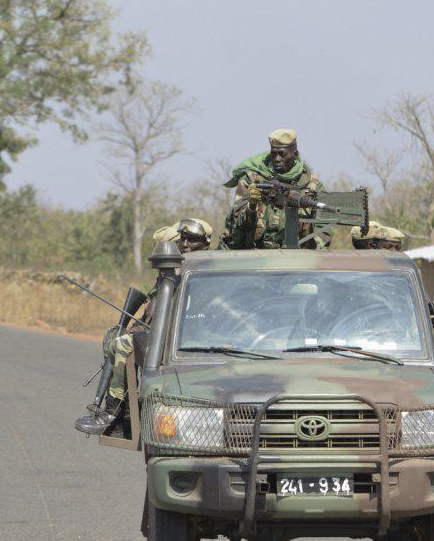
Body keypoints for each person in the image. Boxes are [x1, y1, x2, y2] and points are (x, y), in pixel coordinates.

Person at [76, 218, 213, 435]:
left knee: (122, 345)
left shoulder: (204, 271)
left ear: (206, 243)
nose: (185, 244)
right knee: (116, 340)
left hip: (186, 339)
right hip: (164, 334)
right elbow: (155, 308)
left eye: (192, 240)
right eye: (183, 238)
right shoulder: (174, 268)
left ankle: (114, 414)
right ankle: (121, 414)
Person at [218, 129, 328, 250]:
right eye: (273, 153)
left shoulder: (312, 187)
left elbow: (324, 233)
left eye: (282, 154)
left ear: (295, 154)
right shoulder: (252, 181)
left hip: (297, 259)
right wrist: (252, 206)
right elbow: (237, 229)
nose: (277, 159)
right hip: (253, 254)